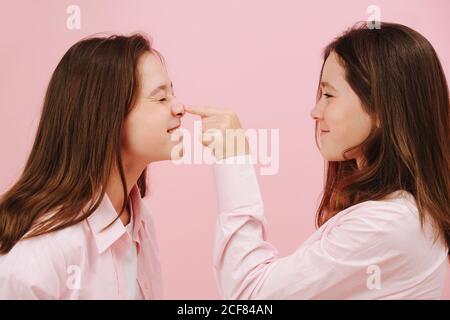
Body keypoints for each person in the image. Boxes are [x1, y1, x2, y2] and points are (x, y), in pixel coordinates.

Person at [187, 22, 450, 299]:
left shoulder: (389, 224)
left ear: (381, 108)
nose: (316, 111)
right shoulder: (399, 216)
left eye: (329, 95)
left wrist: (233, 157)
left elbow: (251, 294)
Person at [0, 33, 185, 299]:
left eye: (173, 93)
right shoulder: (39, 254)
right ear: (108, 115)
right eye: (160, 98)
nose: (180, 108)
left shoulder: (141, 224)